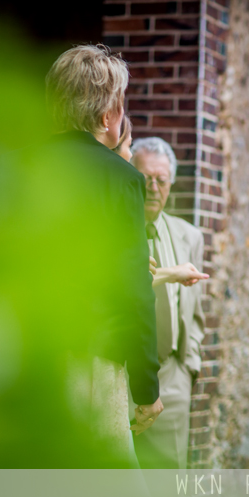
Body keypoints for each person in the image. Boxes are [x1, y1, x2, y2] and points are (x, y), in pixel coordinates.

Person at [44, 45, 163, 460]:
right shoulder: (121, 179)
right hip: (91, 362)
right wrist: (147, 387)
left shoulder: (18, 164)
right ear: (106, 114)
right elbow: (133, 285)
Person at [129, 137, 209, 469]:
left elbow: (196, 311)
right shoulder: (117, 232)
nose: (153, 187)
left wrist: (188, 366)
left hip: (173, 376)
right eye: (145, 178)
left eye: (161, 180)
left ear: (171, 183)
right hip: (123, 373)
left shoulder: (189, 236)